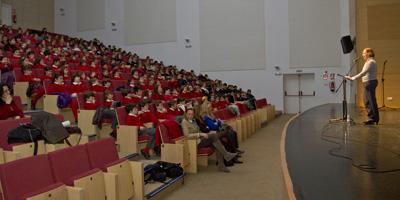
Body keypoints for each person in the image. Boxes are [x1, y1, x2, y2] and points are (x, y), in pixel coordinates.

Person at [181, 108, 237, 172]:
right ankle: (226, 155)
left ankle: (221, 166)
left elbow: (198, 130)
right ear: (185, 114)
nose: (190, 116)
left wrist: (206, 133)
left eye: (192, 114)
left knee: (217, 144)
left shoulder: (193, 121)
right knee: (214, 136)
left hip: (200, 139)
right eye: (189, 114)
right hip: (194, 143)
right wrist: (200, 134)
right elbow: (187, 136)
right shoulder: (184, 122)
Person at [345, 48, 379, 125]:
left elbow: (363, 73)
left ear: (368, 53)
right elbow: (363, 73)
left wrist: (352, 78)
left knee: (371, 101)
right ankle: (372, 118)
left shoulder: (371, 62)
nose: (362, 55)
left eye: (364, 53)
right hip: (368, 83)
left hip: (370, 83)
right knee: (366, 101)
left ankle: (375, 119)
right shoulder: (368, 62)